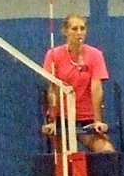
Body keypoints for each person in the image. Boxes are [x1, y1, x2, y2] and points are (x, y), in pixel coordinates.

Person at [41, 14, 115, 152]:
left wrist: (98, 121)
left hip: (86, 117)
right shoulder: (53, 55)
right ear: (65, 31)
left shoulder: (95, 55)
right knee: (66, 156)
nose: (79, 32)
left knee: (107, 151)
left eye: (82, 28)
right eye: (74, 29)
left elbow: (96, 88)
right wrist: (52, 121)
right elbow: (52, 89)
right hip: (61, 117)